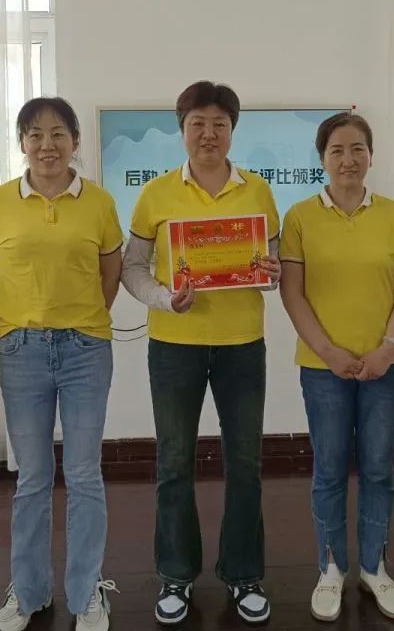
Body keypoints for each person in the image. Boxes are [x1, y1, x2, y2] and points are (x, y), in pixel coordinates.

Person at [121, 81, 281, 626]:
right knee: (173, 463)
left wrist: (270, 273)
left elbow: (271, 267)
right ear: (182, 129)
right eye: (198, 124)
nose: (208, 134)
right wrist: (165, 299)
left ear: (232, 130)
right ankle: (175, 575)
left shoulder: (258, 191)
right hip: (174, 346)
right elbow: (132, 268)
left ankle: (244, 574)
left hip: (242, 346)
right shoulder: (156, 193)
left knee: (246, 464)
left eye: (219, 124)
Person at [0, 97, 123, 631]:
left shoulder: (99, 202)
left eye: (58, 133)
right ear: (22, 142)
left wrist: (80, 319)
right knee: (33, 476)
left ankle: (87, 594)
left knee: (84, 474)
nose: (47, 145)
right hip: (22, 350)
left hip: (86, 348)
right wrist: (25, 321)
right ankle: (29, 591)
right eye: (35, 134)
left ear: (75, 142)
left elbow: (109, 274)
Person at [279, 112, 394, 623]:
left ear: (371, 156)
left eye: (358, 149)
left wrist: (388, 348)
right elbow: (292, 294)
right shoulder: (299, 217)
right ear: (322, 159)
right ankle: (332, 568)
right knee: (330, 469)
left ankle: (375, 568)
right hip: (324, 369)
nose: (348, 159)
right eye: (337, 150)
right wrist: (329, 352)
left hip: (387, 366)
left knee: (379, 469)